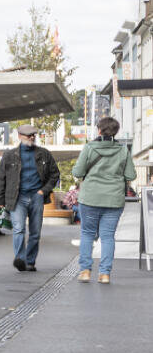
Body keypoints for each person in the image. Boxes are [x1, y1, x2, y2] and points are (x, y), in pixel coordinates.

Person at [71, 116, 137, 283]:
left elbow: (77, 172)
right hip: (113, 200)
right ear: (116, 132)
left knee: (87, 234)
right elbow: (131, 175)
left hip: (90, 198)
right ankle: (105, 273)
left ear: (99, 130)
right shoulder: (123, 151)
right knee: (108, 237)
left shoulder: (89, 148)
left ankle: (85, 271)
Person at [0, 123, 60, 272]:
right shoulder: (10, 155)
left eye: (33, 135)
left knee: (35, 232)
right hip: (18, 197)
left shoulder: (44, 153)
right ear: (19, 136)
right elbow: (1, 178)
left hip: (37, 197)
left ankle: (30, 261)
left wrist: (44, 190)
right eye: (28, 135)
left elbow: (55, 174)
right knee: (18, 229)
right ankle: (20, 259)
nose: (31, 138)